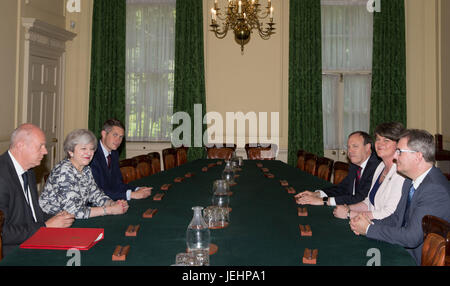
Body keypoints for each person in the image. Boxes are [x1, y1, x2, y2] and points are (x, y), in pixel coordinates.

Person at [350, 129, 450, 265]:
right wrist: (367, 223)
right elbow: (397, 218)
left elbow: (411, 237)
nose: (395, 157)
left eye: (400, 152)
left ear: (418, 156)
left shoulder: (434, 189)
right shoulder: (410, 180)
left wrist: (368, 229)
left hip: (416, 259)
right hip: (400, 249)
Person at [0, 124, 74, 257]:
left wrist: (56, 218)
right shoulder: (2, 177)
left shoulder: (29, 171)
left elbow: (31, 215)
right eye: (41, 146)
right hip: (13, 253)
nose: (45, 151)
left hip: (33, 242)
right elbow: (3, 233)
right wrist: (46, 226)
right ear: (21, 146)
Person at [39, 129, 129, 219]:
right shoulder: (64, 171)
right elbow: (73, 211)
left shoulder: (86, 169)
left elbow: (96, 194)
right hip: (51, 220)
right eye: (83, 148)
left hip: (72, 219)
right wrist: (109, 210)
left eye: (91, 149)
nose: (89, 153)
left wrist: (112, 203)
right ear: (71, 151)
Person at [334, 122, 406, 220]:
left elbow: (389, 213)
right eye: (378, 139)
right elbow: (369, 202)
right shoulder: (380, 166)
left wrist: (350, 214)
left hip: (384, 229)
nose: (380, 144)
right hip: (371, 222)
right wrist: (348, 208)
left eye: (386, 140)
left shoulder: (401, 173)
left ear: (399, 144)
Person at [295, 131, 381, 206]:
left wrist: (323, 201)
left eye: (355, 146)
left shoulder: (376, 167)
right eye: (348, 147)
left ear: (367, 147)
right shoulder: (355, 164)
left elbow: (360, 198)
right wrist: (317, 194)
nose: (350, 151)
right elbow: (342, 188)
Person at [89, 119, 152, 201]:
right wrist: (131, 195)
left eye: (121, 137)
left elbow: (118, 184)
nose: (118, 140)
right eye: (115, 135)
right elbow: (97, 193)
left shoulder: (114, 153)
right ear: (104, 134)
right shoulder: (91, 155)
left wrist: (136, 189)